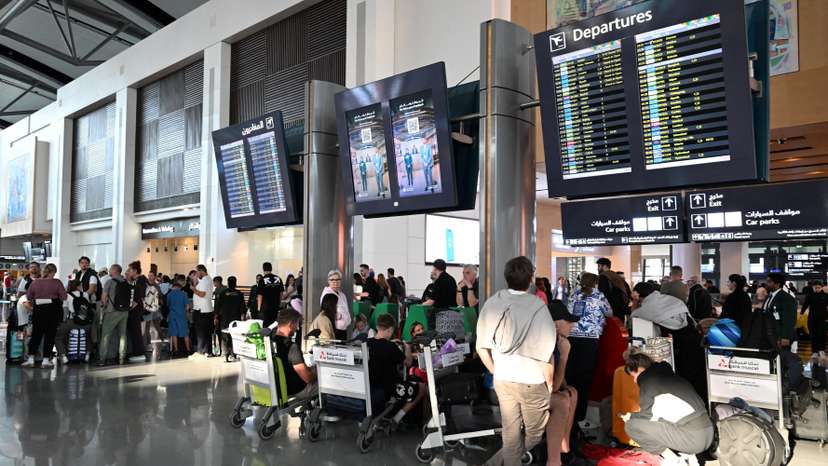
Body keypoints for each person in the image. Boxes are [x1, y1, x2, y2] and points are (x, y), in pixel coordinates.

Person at [477, 256, 556, 466]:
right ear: (531, 279)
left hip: (503, 379)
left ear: (506, 278)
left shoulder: (493, 303)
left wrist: (496, 371)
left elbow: (481, 347)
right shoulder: (538, 307)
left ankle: (495, 462)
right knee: (534, 434)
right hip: (532, 380)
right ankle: (495, 462)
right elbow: (546, 354)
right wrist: (549, 383)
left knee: (510, 435)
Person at [621, 349, 714, 458]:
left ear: (640, 369)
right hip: (708, 433)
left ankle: (673, 461)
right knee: (661, 422)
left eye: (634, 376)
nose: (634, 381)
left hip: (694, 439)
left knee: (632, 426)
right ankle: (688, 458)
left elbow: (647, 417)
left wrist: (630, 417)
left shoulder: (648, 381)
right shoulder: (670, 376)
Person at [566, 272, 612, 423]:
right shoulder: (599, 295)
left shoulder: (574, 294)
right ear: (595, 283)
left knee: (571, 376)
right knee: (584, 378)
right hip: (590, 340)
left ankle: (568, 412)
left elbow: (568, 312)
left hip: (572, 338)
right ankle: (580, 415)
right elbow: (609, 312)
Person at [367, 314, 424, 424]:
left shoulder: (367, 343)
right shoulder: (390, 347)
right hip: (388, 389)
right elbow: (408, 363)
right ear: (390, 330)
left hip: (370, 387)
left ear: (378, 327)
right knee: (420, 386)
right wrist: (407, 348)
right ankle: (396, 419)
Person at [545, 301, 581, 466]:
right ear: (556, 324)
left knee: (572, 392)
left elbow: (561, 383)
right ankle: (555, 460)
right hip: (528, 393)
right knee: (562, 400)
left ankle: (564, 448)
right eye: (569, 321)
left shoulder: (556, 341)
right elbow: (554, 387)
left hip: (540, 389)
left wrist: (567, 388)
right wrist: (565, 356)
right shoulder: (547, 343)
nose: (572, 326)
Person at [263, 310, 317, 400]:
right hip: (297, 390)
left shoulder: (270, 343)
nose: (297, 328)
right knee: (324, 384)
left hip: (277, 389)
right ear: (291, 324)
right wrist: (316, 372)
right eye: (297, 325)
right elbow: (307, 378)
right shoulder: (292, 347)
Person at [22, 263, 67, 368]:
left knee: (36, 335)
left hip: (39, 311)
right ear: (53, 272)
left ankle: (31, 359)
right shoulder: (57, 282)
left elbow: (28, 297)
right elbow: (64, 297)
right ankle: (46, 360)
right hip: (53, 311)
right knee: (50, 335)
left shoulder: (35, 282)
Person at [97, 264, 130, 366]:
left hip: (112, 311)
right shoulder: (126, 282)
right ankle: (121, 357)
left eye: (110, 269)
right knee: (122, 335)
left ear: (115, 271)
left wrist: (103, 306)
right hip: (124, 312)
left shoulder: (109, 282)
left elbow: (104, 298)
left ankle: (102, 359)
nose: (109, 271)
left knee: (105, 335)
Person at [55, 280, 94, 364]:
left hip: (72, 322)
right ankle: (87, 354)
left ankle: (63, 356)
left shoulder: (67, 295)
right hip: (85, 323)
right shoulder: (85, 294)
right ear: (78, 286)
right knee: (89, 336)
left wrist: (63, 322)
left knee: (58, 337)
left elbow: (65, 310)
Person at [765, 272, 797, 350]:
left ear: (777, 284)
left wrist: (785, 337)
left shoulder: (786, 298)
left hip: (780, 336)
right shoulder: (770, 296)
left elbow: (789, 319)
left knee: (782, 359)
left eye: (769, 282)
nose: (767, 283)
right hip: (769, 334)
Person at [216, 276, 245, 362]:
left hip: (225, 318)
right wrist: (243, 316)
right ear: (235, 283)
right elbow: (242, 307)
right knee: (235, 336)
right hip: (236, 318)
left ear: (228, 283)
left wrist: (216, 317)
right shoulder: (239, 293)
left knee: (225, 336)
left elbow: (217, 306)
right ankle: (234, 354)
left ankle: (226, 355)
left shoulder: (222, 293)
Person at [191, 264, 214, 359]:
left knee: (201, 332)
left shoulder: (205, 281)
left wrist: (193, 289)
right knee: (206, 332)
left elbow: (202, 294)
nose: (196, 274)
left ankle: (202, 352)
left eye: (197, 272)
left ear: (201, 271)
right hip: (205, 310)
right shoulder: (207, 280)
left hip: (202, 310)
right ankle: (207, 351)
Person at [321, 269, 351, 340]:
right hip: (334, 329)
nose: (335, 282)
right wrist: (339, 316)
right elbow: (327, 312)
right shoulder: (327, 294)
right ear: (328, 281)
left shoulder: (342, 294)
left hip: (343, 329)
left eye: (338, 280)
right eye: (332, 280)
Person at [166, 276, 191, 356]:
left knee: (174, 334)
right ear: (180, 287)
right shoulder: (184, 294)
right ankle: (188, 350)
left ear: (173, 287)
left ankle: (176, 350)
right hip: (182, 316)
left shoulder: (169, 294)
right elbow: (187, 307)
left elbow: (168, 305)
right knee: (185, 334)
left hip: (172, 316)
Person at [802, 280, 828, 353]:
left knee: (822, 335)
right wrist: (801, 313)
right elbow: (805, 305)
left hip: (823, 319)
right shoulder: (810, 296)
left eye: (818, 287)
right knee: (813, 335)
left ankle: (822, 350)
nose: (817, 289)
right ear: (813, 287)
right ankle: (814, 351)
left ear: (821, 287)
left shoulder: (826, 296)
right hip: (812, 318)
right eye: (815, 287)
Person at [142, 270, 163, 357]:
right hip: (148, 309)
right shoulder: (146, 285)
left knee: (156, 326)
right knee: (147, 327)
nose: (150, 277)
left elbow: (160, 297)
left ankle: (161, 341)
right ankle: (148, 345)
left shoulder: (156, 286)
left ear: (154, 277)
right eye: (149, 275)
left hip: (154, 309)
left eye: (151, 276)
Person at [257, 262, 284, 328]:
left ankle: (267, 337)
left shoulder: (262, 280)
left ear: (263, 269)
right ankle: (272, 337)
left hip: (265, 307)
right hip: (275, 306)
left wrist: (259, 307)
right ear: (271, 268)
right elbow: (281, 293)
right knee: (273, 325)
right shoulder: (278, 279)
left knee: (265, 325)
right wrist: (279, 303)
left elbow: (260, 295)